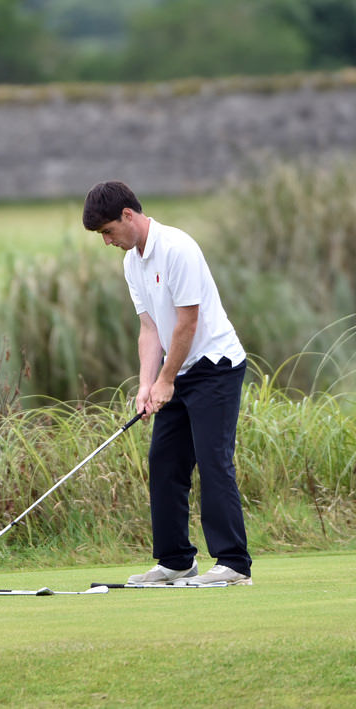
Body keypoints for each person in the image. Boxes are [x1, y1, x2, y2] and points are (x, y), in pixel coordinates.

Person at [83, 180, 252, 586]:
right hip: (175, 372)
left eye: (108, 231)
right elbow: (149, 328)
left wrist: (165, 380)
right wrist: (146, 386)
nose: (107, 241)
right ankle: (176, 560)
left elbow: (187, 322)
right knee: (164, 463)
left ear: (128, 215)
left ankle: (233, 565)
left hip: (215, 365)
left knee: (213, 462)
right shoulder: (131, 262)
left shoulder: (178, 248)